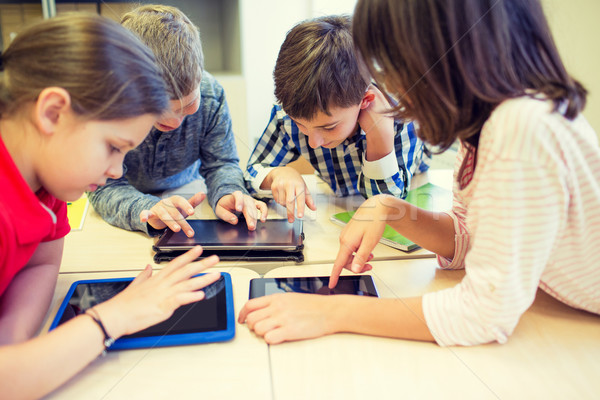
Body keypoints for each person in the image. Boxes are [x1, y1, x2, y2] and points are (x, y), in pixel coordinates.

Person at [238, 0, 600, 346]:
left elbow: (484, 313)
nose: (392, 85)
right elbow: (466, 241)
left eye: (395, 63)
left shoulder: (520, 124)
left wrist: (332, 310)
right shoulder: (487, 126)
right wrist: (386, 205)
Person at [0, 14, 221, 398]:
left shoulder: (49, 184)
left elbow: (41, 261)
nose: (117, 169)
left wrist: (15, 344)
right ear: (53, 112)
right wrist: (114, 317)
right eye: (113, 147)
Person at [88, 4, 267, 238]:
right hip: (126, 200)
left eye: (188, 105)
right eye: (159, 110)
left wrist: (228, 192)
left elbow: (221, 163)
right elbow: (104, 187)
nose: (174, 122)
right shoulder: (108, 105)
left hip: (189, 194)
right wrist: (145, 208)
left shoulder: (211, 94)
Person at [244, 15, 429, 223]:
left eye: (329, 127)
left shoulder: (400, 115)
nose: (314, 142)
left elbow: (387, 205)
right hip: (336, 205)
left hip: (416, 190)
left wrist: (380, 136)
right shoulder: (287, 115)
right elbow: (251, 173)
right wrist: (275, 176)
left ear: (365, 100)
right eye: (300, 124)